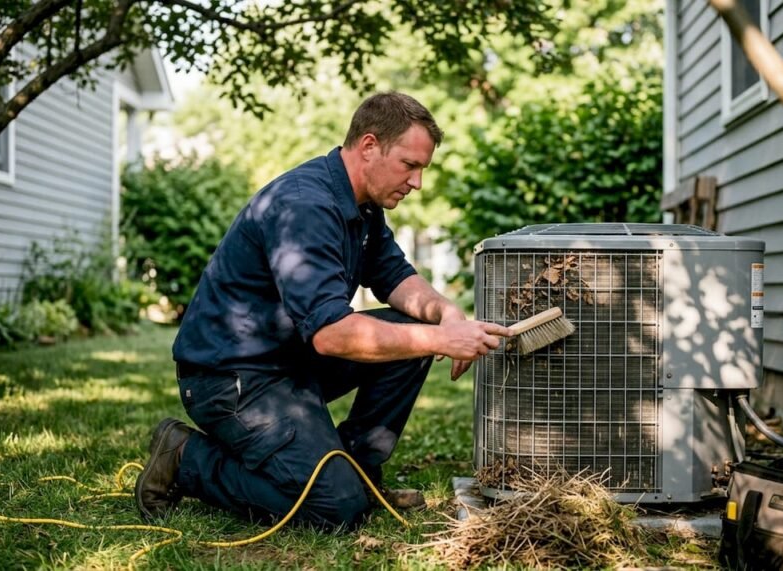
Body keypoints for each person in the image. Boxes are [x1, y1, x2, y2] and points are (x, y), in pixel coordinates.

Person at [134, 92, 512, 530]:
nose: (417, 182)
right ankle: (184, 458)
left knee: (416, 327)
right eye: (410, 165)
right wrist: (440, 338)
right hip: (232, 379)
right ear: (369, 146)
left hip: (289, 362)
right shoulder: (305, 206)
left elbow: (395, 278)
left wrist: (446, 315)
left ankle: (358, 471)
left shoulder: (363, 206)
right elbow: (331, 334)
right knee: (335, 509)